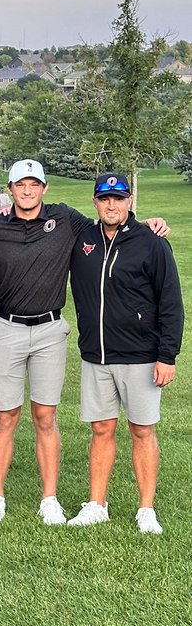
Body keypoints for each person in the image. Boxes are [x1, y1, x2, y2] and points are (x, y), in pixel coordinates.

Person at [0, 159, 167, 525]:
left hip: (49, 331)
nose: (27, 191)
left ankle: (50, 498)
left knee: (45, 416)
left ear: (44, 189)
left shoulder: (64, 219)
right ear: (11, 188)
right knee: (5, 416)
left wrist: (146, 225)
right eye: (20, 185)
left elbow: (109, 225)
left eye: (34, 185)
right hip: (7, 328)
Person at [66, 173, 183, 534]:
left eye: (118, 198)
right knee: (101, 429)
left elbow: (171, 303)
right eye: (104, 199)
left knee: (142, 430)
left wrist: (168, 355)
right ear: (95, 202)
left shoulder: (151, 242)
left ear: (129, 201)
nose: (111, 205)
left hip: (142, 356)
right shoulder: (82, 238)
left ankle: (146, 508)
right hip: (96, 356)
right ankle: (96, 504)